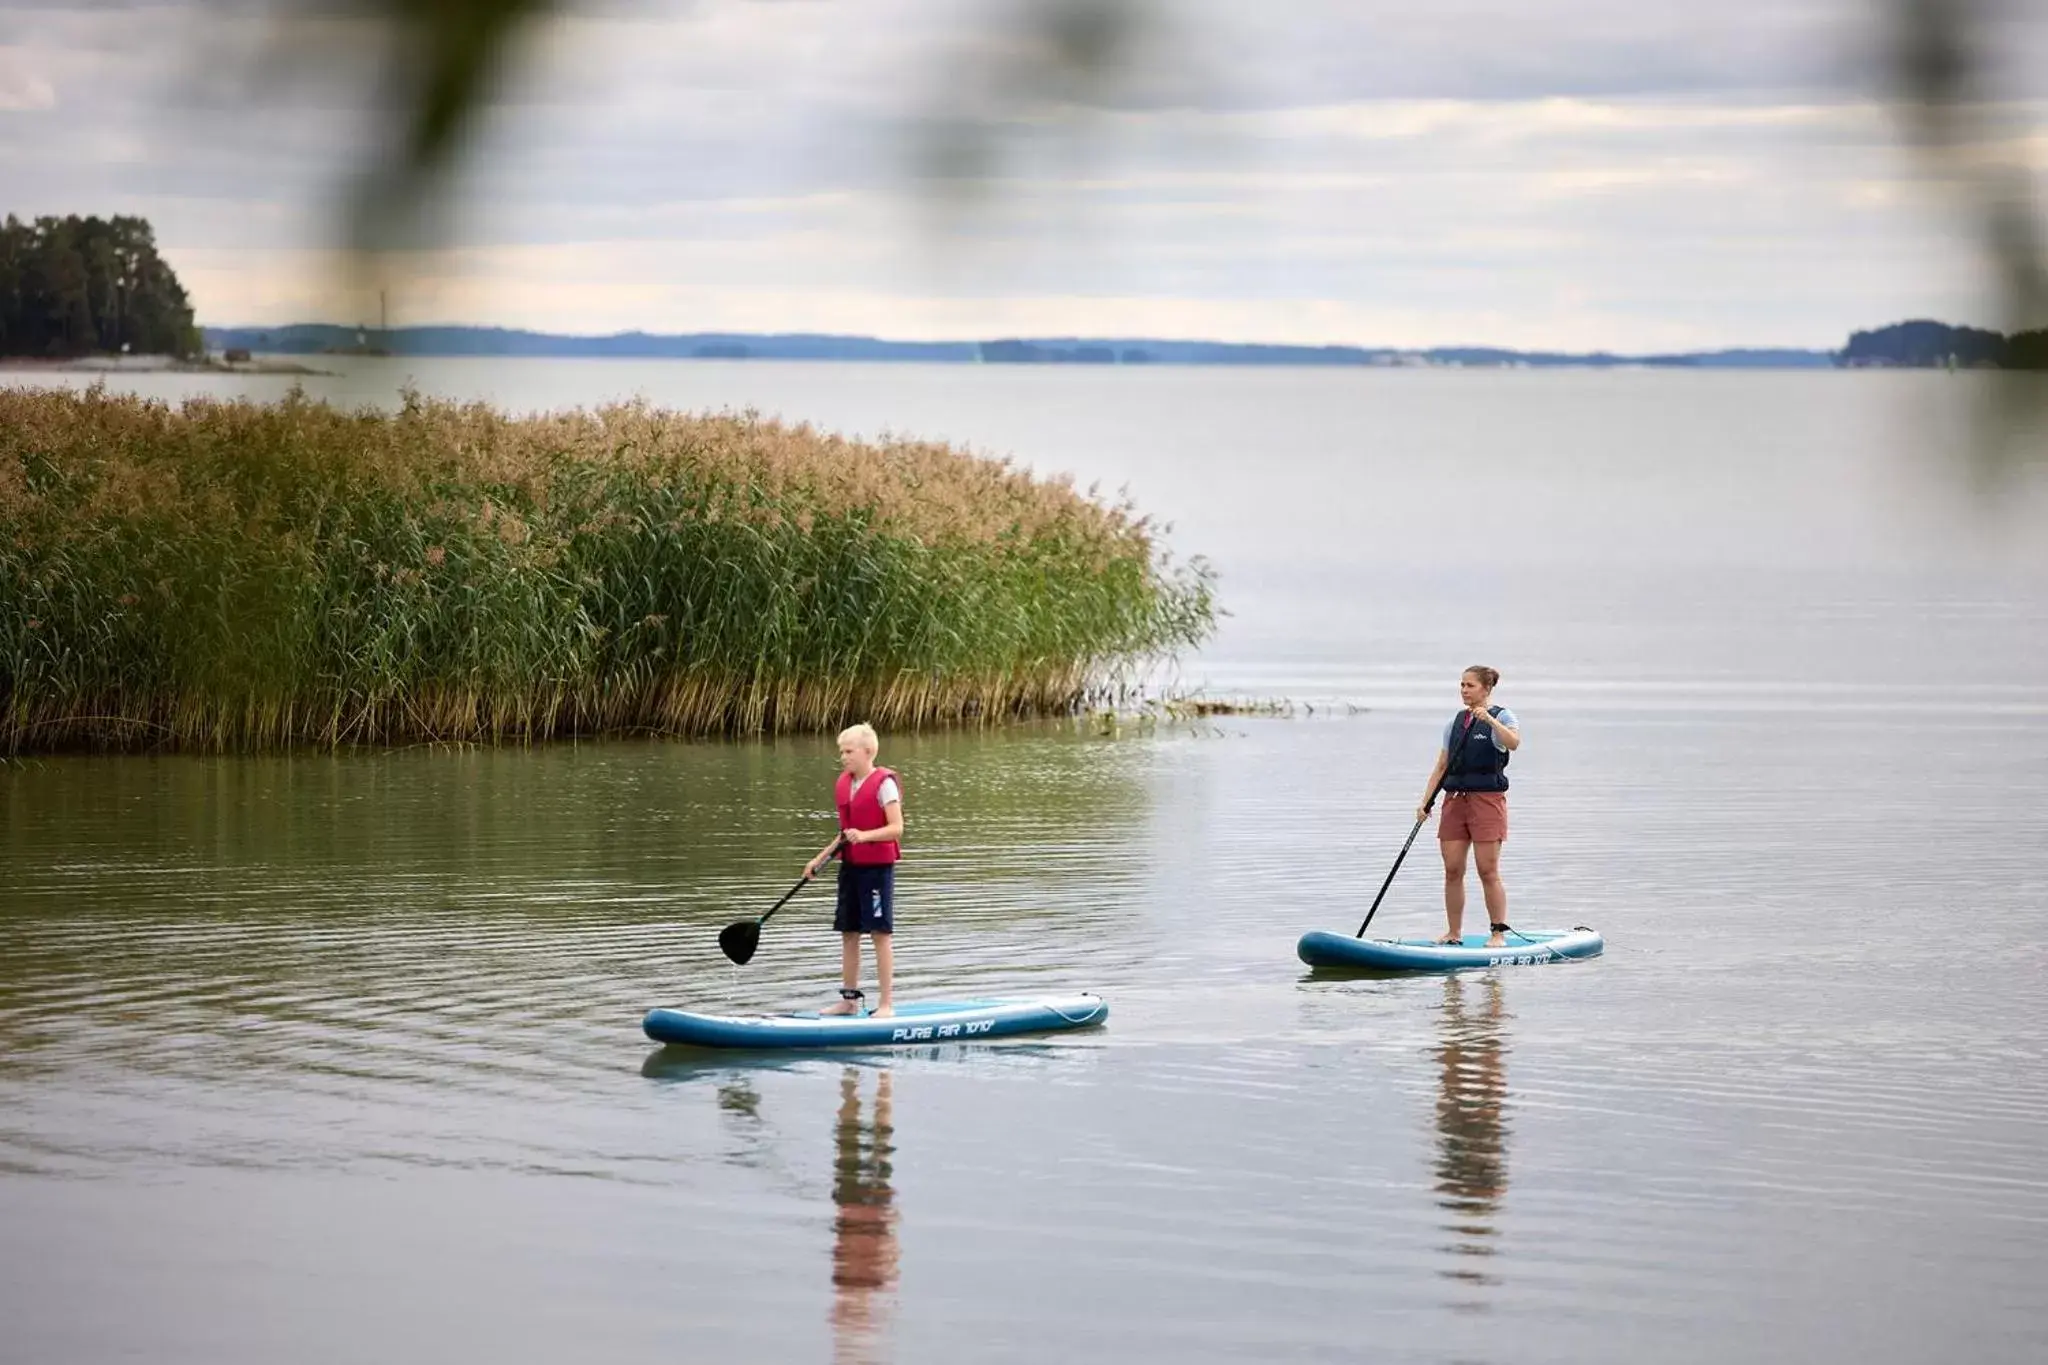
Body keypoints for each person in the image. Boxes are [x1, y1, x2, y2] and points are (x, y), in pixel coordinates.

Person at [1415, 666, 1521, 948]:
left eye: (1470, 685)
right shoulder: (1455, 722)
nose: (1464, 690)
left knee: (1487, 869)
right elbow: (1441, 766)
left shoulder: (1503, 716)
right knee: (1452, 869)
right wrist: (1425, 802)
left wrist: (1490, 721)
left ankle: (1498, 933)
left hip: (1487, 801)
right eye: (1461, 685)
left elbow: (1514, 743)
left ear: (1486, 689)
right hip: (1455, 801)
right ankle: (1453, 932)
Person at [806, 723, 902, 1017]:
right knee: (849, 932)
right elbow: (844, 834)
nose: (843, 757)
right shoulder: (845, 783)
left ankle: (886, 1005)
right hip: (851, 868)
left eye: (849, 751)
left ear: (868, 751)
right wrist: (818, 860)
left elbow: (897, 828)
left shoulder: (884, 783)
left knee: (880, 933)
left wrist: (866, 835)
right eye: (842, 752)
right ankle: (849, 1001)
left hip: (876, 871)